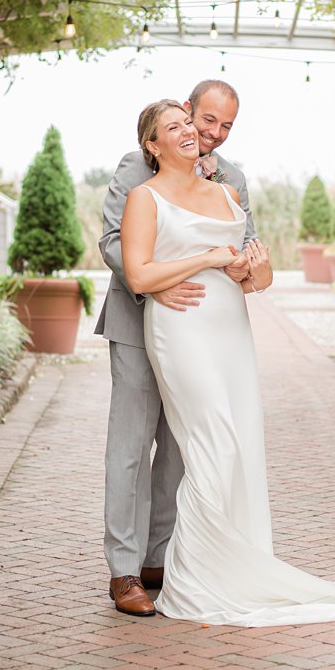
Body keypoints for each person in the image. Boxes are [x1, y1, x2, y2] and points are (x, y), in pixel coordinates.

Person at [119, 98, 335, 627]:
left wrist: (254, 269)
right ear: (153, 145)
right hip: (180, 332)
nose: (189, 131)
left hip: (230, 332)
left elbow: (252, 281)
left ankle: (237, 566)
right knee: (212, 446)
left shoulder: (227, 193)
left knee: (241, 446)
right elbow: (141, 276)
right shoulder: (144, 199)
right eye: (173, 127)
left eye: (187, 123)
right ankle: (196, 576)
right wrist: (207, 258)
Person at [95, 80, 256, 617]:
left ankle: (156, 557)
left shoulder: (231, 179)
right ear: (187, 112)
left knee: (183, 446)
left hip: (202, 333)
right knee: (131, 447)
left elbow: (241, 247)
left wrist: (246, 266)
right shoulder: (135, 167)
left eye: (225, 126)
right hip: (138, 322)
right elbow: (113, 243)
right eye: (205, 119)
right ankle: (123, 570)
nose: (212, 133)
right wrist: (153, 283)